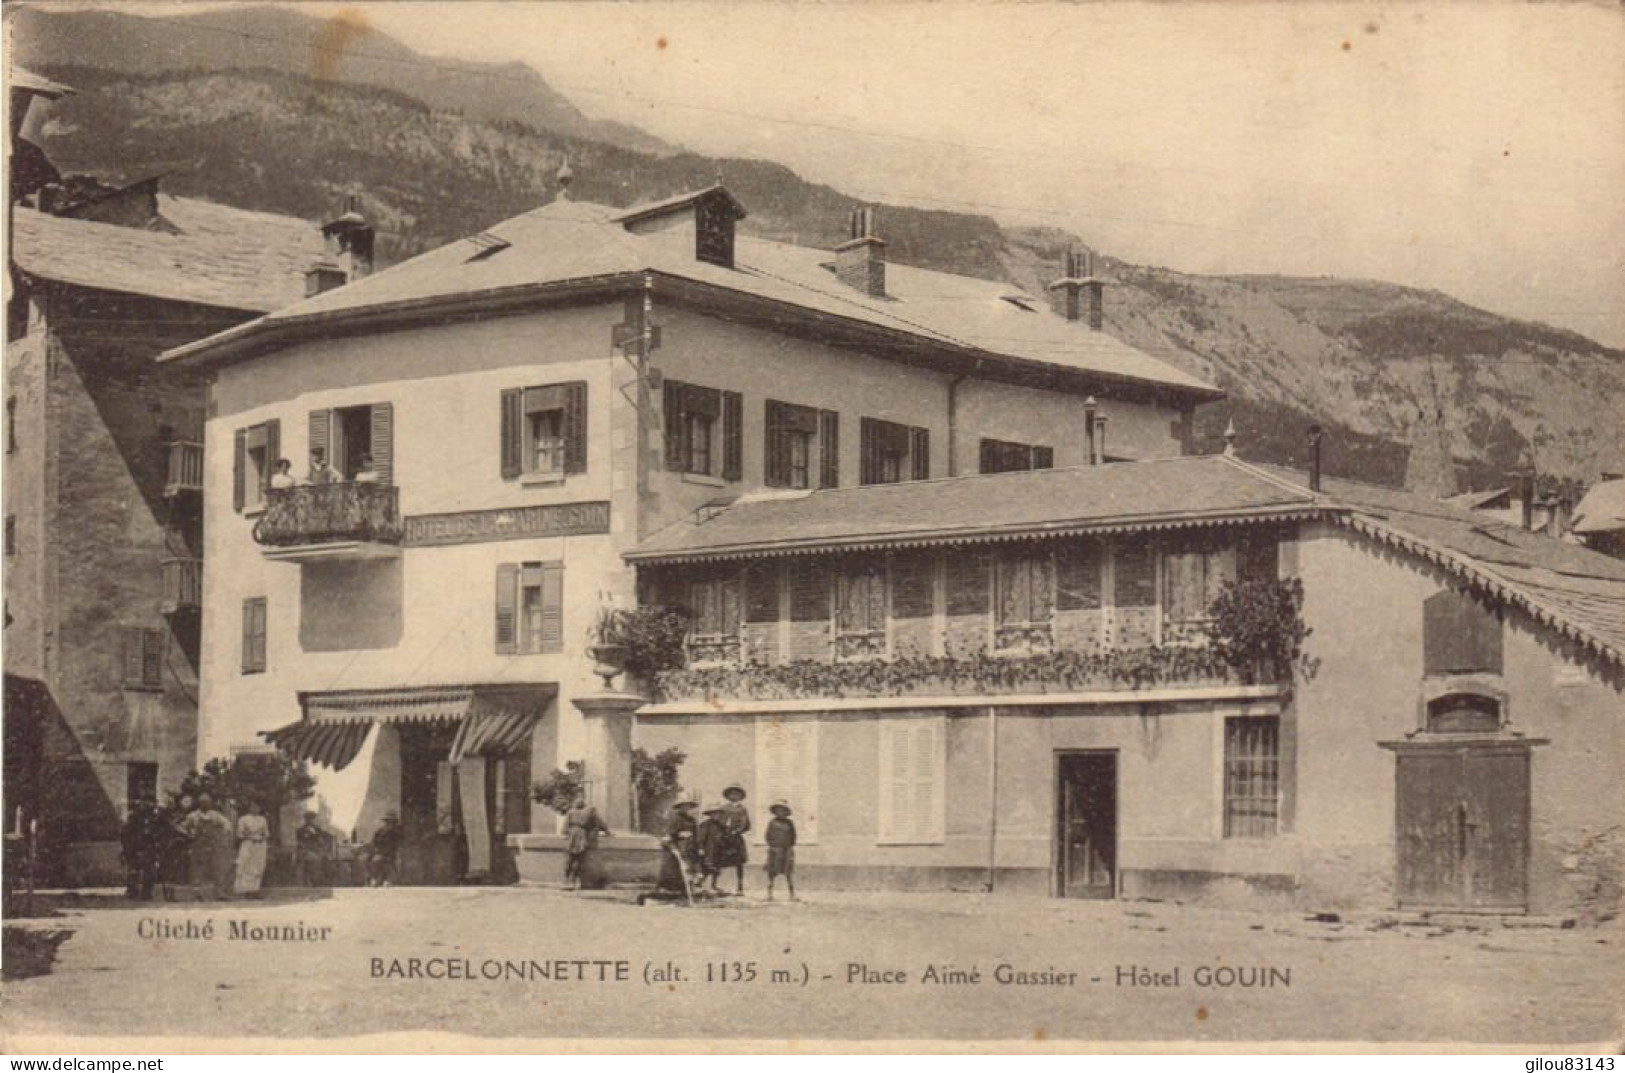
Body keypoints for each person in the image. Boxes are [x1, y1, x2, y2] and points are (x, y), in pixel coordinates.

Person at [183, 793, 235, 900]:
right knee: (198, 869)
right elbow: (183, 827)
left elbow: (228, 825)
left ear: (211, 803)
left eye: (207, 802)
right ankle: (197, 893)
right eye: (202, 802)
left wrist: (222, 834)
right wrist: (190, 834)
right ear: (199, 803)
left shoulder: (215, 815)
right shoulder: (193, 815)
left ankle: (219, 893)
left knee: (217, 868)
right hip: (198, 845)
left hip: (213, 845)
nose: (205, 804)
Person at [119, 798, 165, 901]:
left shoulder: (155, 820)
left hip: (149, 848)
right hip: (135, 848)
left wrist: (157, 845)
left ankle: (146, 893)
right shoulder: (134, 819)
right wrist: (128, 849)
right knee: (134, 870)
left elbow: (159, 833)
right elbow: (125, 834)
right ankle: (132, 891)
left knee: (149, 871)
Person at [563, 793, 610, 891]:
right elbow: (600, 823)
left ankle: (567, 880)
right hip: (582, 836)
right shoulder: (590, 811)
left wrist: (566, 833)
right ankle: (573, 880)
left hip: (572, 836)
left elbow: (565, 828)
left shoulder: (571, 812)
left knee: (571, 859)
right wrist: (607, 831)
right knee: (579, 859)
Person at [655, 798, 699, 898]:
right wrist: (680, 834)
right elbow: (670, 833)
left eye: (688, 805)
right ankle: (665, 889)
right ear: (679, 807)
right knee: (671, 867)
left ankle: (683, 890)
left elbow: (696, 833)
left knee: (687, 867)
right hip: (675, 845)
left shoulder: (692, 820)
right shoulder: (675, 818)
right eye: (683, 805)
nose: (686, 807)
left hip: (688, 846)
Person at [715, 783, 752, 895]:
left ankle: (740, 887)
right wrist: (724, 831)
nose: (734, 796)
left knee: (739, 863)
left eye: (736, 794)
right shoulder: (724, 808)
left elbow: (746, 824)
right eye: (731, 794)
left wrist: (738, 830)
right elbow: (719, 822)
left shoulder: (742, 809)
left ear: (740, 796)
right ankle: (714, 884)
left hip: (736, 838)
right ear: (728, 795)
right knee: (718, 861)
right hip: (725, 838)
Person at [159, 794, 194, 901]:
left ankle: (171, 894)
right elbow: (172, 828)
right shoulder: (163, 818)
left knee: (173, 871)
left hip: (176, 846)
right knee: (167, 870)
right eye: (169, 803)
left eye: (172, 803)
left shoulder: (179, 816)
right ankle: (167, 894)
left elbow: (183, 830)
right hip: (166, 846)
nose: (171, 805)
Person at [232, 801, 270, 897]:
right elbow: (239, 834)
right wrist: (249, 836)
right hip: (248, 844)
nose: (255, 809)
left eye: (257, 807)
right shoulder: (243, 819)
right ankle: (244, 890)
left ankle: (255, 890)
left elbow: (266, 833)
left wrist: (262, 838)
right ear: (249, 808)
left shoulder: (262, 819)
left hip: (260, 845)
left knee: (258, 866)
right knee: (245, 865)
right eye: (253, 807)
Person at [764, 800, 798, 902]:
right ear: (775, 812)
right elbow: (767, 835)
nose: (780, 812)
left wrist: (789, 847)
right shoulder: (772, 822)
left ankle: (792, 894)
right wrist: (773, 846)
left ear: (786, 812)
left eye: (782, 810)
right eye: (778, 810)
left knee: (788, 872)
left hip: (787, 850)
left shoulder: (790, 823)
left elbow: (793, 836)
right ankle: (769, 894)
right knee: (772, 872)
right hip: (775, 850)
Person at [293, 811, 332, 887]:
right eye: (308, 819)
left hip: (317, 850)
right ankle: (314, 881)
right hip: (305, 851)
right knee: (314, 858)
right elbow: (301, 843)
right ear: (305, 820)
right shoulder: (300, 831)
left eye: (312, 819)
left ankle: (321, 881)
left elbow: (323, 840)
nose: (310, 821)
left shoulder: (318, 830)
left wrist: (316, 835)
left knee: (324, 858)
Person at [694, 803, 726, 893]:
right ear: (710, 815)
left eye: (718, 813)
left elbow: (724, 837)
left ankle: (714, 885)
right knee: (707, 867)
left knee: (717, 869)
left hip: (718, 850)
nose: (716, 815)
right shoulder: (706, 825)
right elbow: (700, 838)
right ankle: (699, 884)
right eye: (714, 814)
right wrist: (700, 848)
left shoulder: (721, 826)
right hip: (709, 849)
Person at [366, 812, 403, 887]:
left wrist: (383, 852)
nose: (389, 824)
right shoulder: (380, 831)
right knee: (365, 859)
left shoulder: (396, 832)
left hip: (390, 853)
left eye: (391, 822)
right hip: (378, 852)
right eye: (387, 821)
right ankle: (373, 879)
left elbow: (397, 845)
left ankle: (385, 879)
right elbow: (374, 842)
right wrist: (375, 850)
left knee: (378, 860)